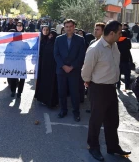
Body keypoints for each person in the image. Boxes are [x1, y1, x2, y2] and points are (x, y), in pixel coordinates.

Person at [82, 20, 131, 161]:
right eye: (119, 32)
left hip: (111, 88)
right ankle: (93, 147)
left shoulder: (114, 45)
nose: (121, 34)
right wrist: (87, 81)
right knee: (96, 120)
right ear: (111, 33)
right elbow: (86, 70)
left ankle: (113, 146)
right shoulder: (95, 48)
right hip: (98, 88)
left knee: (112, 120)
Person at [54, 19, 85, 122]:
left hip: (74, 71)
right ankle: (63, 110)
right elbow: (56, 54)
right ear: (64, 27)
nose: (68, 28)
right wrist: (63, 66)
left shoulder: (80, 40)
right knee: (62, 92)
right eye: (66, 26)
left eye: (70, 26)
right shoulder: (58, 39)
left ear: (74, 27)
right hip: (61, 71)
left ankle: (76, 112)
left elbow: (81, 56)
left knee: (74, 93)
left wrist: (72, 66)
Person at [35, 27, 58, 107]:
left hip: (52, 68)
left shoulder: (55, 44)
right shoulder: (44, 41)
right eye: (49, 35)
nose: (50, 37)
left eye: (52, 35)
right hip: (43, 67)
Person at [8, 20, 26, 98]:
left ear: (23, 27)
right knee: (13, 76)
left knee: (22, 77)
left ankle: (19, 92)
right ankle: (13, 91)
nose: (19, 27)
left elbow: (28, 47)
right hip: (13, 60)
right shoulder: (12, 35)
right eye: (18, 25)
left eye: (20, 26)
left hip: (22, 60)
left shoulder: (26, 36)